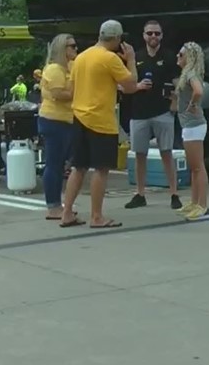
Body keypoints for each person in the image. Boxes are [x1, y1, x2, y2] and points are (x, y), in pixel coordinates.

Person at [61, 20, 146, 228]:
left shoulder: (81, 58)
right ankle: (96, 216)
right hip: (100, 120)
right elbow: (131, 84)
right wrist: (131, 60)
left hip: (79, 116)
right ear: (116, 38)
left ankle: (66, 213)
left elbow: (73, 87)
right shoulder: (109, 58)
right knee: (101, 169)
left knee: (78, 167)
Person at [125, 19, 184, 211]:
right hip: (139, 112)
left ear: (162, 36)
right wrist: (138, 86)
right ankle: (140, 194)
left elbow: (178, 82)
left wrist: (177, 97)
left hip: (162, 112)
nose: (153, 37)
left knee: (166, 153)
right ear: (143, 35)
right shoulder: (136, 58)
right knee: (140, 154)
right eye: (149, 33)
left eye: (157, 33)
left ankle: (174, 193)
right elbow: (124, 85)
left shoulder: (168, 57)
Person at [38, 34, 78, 221]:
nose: (75, 49)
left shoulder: (68, 67)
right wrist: (75, 88)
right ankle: (53, 206)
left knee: (61, 163)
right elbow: (59, 94)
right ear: (62, 49)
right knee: (53, 164)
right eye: (71, 46)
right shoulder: (54, 69)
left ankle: (59, 204)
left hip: (66, 120)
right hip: (54, 120)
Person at [174, 42, 209, 221]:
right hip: (188, 125)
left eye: (181, 55)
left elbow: (198, 91)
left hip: (194, 125)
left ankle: (203, 206)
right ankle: (195, 202)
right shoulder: (186, 74)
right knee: (193, 168)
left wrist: (193, 105)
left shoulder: (190, 73)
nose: (177, 57)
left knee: (198, 167)